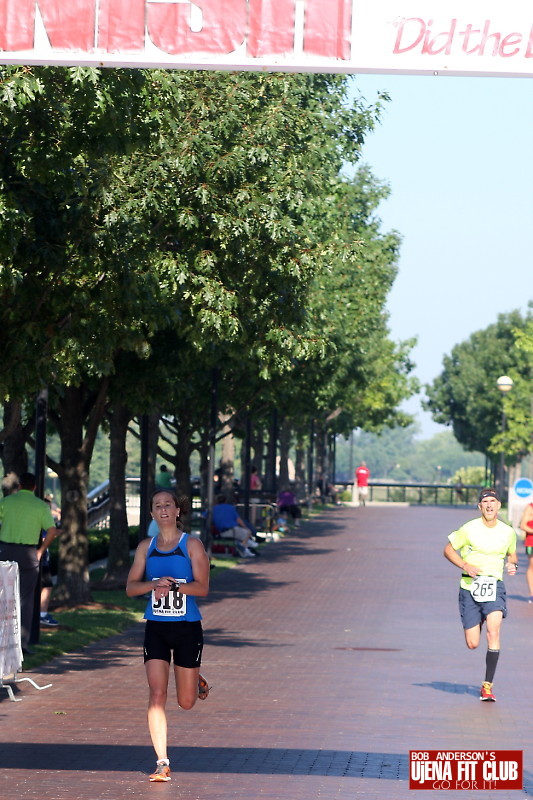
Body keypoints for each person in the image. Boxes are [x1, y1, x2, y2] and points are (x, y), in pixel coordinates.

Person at [126, 490, 210, 782]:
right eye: (157, 506)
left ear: (178, 511)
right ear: (151, 513)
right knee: (157, 693)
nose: (163, 510)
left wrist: (173, 587)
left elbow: (202, 588)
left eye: (168, 505)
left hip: (187, 627)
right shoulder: (145, 547)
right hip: (157, 628)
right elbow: (131, 588)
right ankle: (162, 762)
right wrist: (153, 584)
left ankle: (195, 677)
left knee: (186, 702)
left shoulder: (193, 545)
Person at [443, 488, 517, 702]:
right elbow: (448, 550)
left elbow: (512, 554)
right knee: (473, 643)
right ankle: (478, 618)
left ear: (499, 506)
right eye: (485, 502)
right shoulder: (468, 529)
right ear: (480, 507)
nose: (489, 505)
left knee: (494, 632)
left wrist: (512, 564)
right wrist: (465, 564)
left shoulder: (508, 531)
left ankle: (487, 686)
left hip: (494, 586)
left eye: (493, 501)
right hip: (470, 588)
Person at [0, 472, 58, 654]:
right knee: (26, 599)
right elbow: (51, 531)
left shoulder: (6, 502)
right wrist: (40, 551)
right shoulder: (40, 506)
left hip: (5, 550)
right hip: (28, 553)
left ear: (19, 486)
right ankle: (22, 644)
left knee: (3, 596)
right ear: (34, 487)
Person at [519, 501, 533, 603]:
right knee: (532, 566)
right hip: (531, 542)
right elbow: (523, 525)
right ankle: (532, 594)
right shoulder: (530, 507)